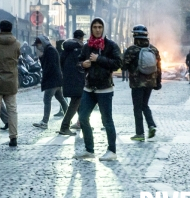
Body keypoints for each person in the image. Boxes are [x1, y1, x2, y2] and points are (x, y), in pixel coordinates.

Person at [74, 17, 122, 161]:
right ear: (91, 29)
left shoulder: (110, 45)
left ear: (103, 29)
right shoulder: (87, 46)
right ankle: (89, 149)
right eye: (94, 27)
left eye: (100, 27)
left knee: (106, 120)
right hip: (89, 88)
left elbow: (117, 63)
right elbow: (78, 62)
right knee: (82, 117)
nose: (97, 29)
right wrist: (83, 64)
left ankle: (111, 151)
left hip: (105, 88)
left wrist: (99, 59)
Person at [122, 25, 161, 142]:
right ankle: (151, 125)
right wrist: (158, 82)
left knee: (137, 108)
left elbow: (123, 65)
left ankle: (139, 133)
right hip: (150, 83)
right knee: (145, 105)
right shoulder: (154, 49)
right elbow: (159, 67)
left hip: (137, 83)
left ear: (134, 35)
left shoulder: (132, 50)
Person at [33, 35, 68, 129]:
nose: (37, 47)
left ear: (42, 43)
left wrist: (41, 58)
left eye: (38, 44)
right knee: (61, 99)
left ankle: (45, 122)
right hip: (56, 79)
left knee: (47, 100)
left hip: (52, 80)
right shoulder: (49, 50)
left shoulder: (50, 50)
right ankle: (68, 118)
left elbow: (49, 66)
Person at [57, 30, 86, 136]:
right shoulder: (81, 49)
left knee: (77, 102)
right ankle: (64, 127)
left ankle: (82, 123)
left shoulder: (66, 49)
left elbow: (61, 63)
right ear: (81, 38)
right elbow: (83, 65)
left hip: (68, 79)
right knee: (75, 103)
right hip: (78, 79)